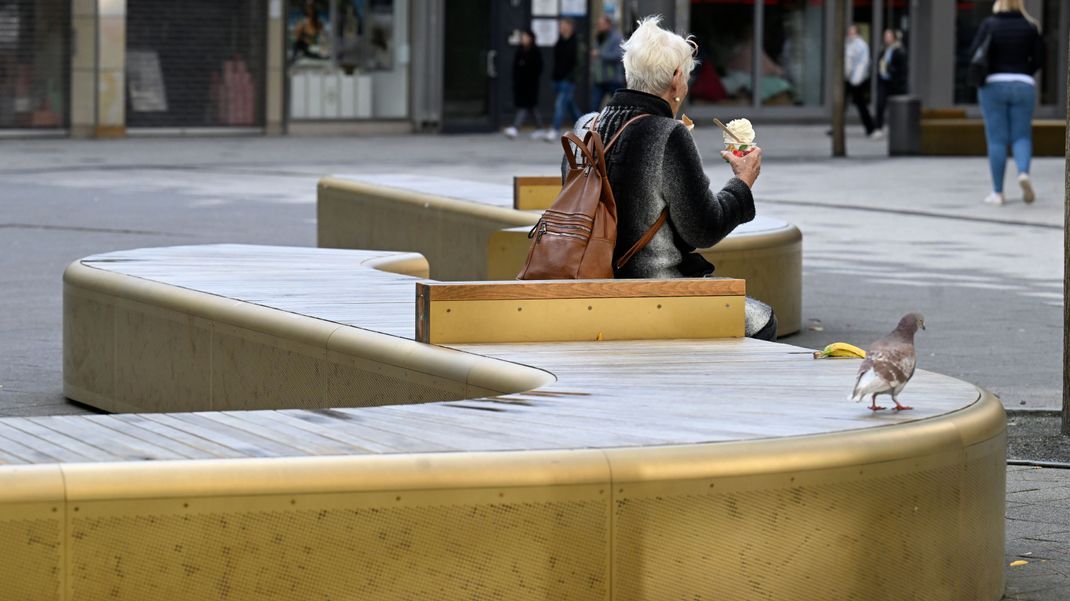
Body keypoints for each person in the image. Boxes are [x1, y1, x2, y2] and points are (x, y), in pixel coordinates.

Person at [566, 16, 775, 340]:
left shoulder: (585, 126)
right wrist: (743, 180)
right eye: (687, 77)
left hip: (584, 285)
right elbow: (704, 228)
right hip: (654, 293)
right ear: (677, 78)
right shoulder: (667, 135)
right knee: (762, 320)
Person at [969, 0, 1045, 205]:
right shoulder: (1031, 26)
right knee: (1022, 135)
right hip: (1023, 84)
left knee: (997, 140)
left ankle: (998, 192)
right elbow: (1039, 59)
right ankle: (1023, 173)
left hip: (994, 84)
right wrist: (1024, 73)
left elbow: (974, 53)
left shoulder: (990, 25)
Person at [504, 29, 544, 139]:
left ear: (531, 39)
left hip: (531, 84)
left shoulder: (535, 52)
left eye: (526, 37)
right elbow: (515, 68)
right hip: (521, 84)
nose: (524, 39)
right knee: (531, 107)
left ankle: (515, 128)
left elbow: (538, 68)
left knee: (525, 106)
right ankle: (540, 128)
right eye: (523, 37)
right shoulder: (520, 51)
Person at [546, 18, 582, 141]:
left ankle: (554, 130)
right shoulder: (559, 41)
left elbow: (577, 62)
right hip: (558, 79)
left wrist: (572, 77)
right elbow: (557, 62)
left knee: (560, 105)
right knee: (570, 105)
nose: (560, 27)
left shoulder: (576, 42)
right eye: (560, 25)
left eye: (563, 25)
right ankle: (582, 127)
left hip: (569, 80)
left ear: (570, 27)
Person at [844, 25, 877, 138]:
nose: (850, 33)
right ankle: (837, 128)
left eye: (852, 31)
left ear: (857, 32)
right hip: (849, 79)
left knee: (860, 104)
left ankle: (870, 128)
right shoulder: (849, 44)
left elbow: (863, 63)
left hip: (856, 80)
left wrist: (857, 79)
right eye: (849, 31)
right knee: (843, 104)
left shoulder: (860, 45)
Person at [874, 29, 908, 132]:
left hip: (895, 82)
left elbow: (902, 69)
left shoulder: (899, 50)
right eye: (885, 36)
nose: (886, 38)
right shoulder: (883, 49)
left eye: (888, 36)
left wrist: (889, 68)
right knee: (880, 104)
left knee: (895, 107)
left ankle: (897, 127)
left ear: (893, 37)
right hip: (883, 81)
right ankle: (878, 127)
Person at [589, 15, 625, 112]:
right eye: (598, 24)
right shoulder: (598, 37)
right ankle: (592, 126)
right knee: (594, 107)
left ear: (609, 25)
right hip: (599, 79)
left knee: (618, 107)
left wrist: (600, 54)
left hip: (613, 79)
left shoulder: (617, 38)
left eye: (602, 24)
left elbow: (619, 56)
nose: (599, 26)